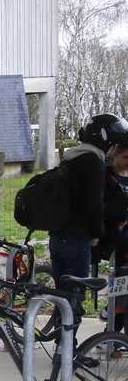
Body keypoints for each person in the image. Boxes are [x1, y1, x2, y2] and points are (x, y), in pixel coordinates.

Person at [50, 113, 128, 323]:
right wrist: (96, 233)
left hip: (58, 236)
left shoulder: (71, 159)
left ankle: (61, 345)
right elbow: (93, 204)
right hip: (77, 238)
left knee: (63, 296)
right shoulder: (93, 163)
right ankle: (67, 351)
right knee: (74, 299)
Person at [102, 142, 128, 331]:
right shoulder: (105, 176)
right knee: (121, 279)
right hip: (112, 237)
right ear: (116, 155)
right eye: (126, 157)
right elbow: (101, 210)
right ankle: (113, 326)